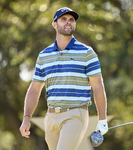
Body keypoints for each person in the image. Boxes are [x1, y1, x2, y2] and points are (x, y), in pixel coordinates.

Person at [19, 7, 108, 150]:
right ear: (54, 24)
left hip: (75, 115)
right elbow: (35, 89)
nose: (68, 22)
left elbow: (98, 87)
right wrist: (26, 118)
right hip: (51, 117)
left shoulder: (87, 53)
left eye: (71, 20)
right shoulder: (44, 55)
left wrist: (102, 119)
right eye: (64, 19)